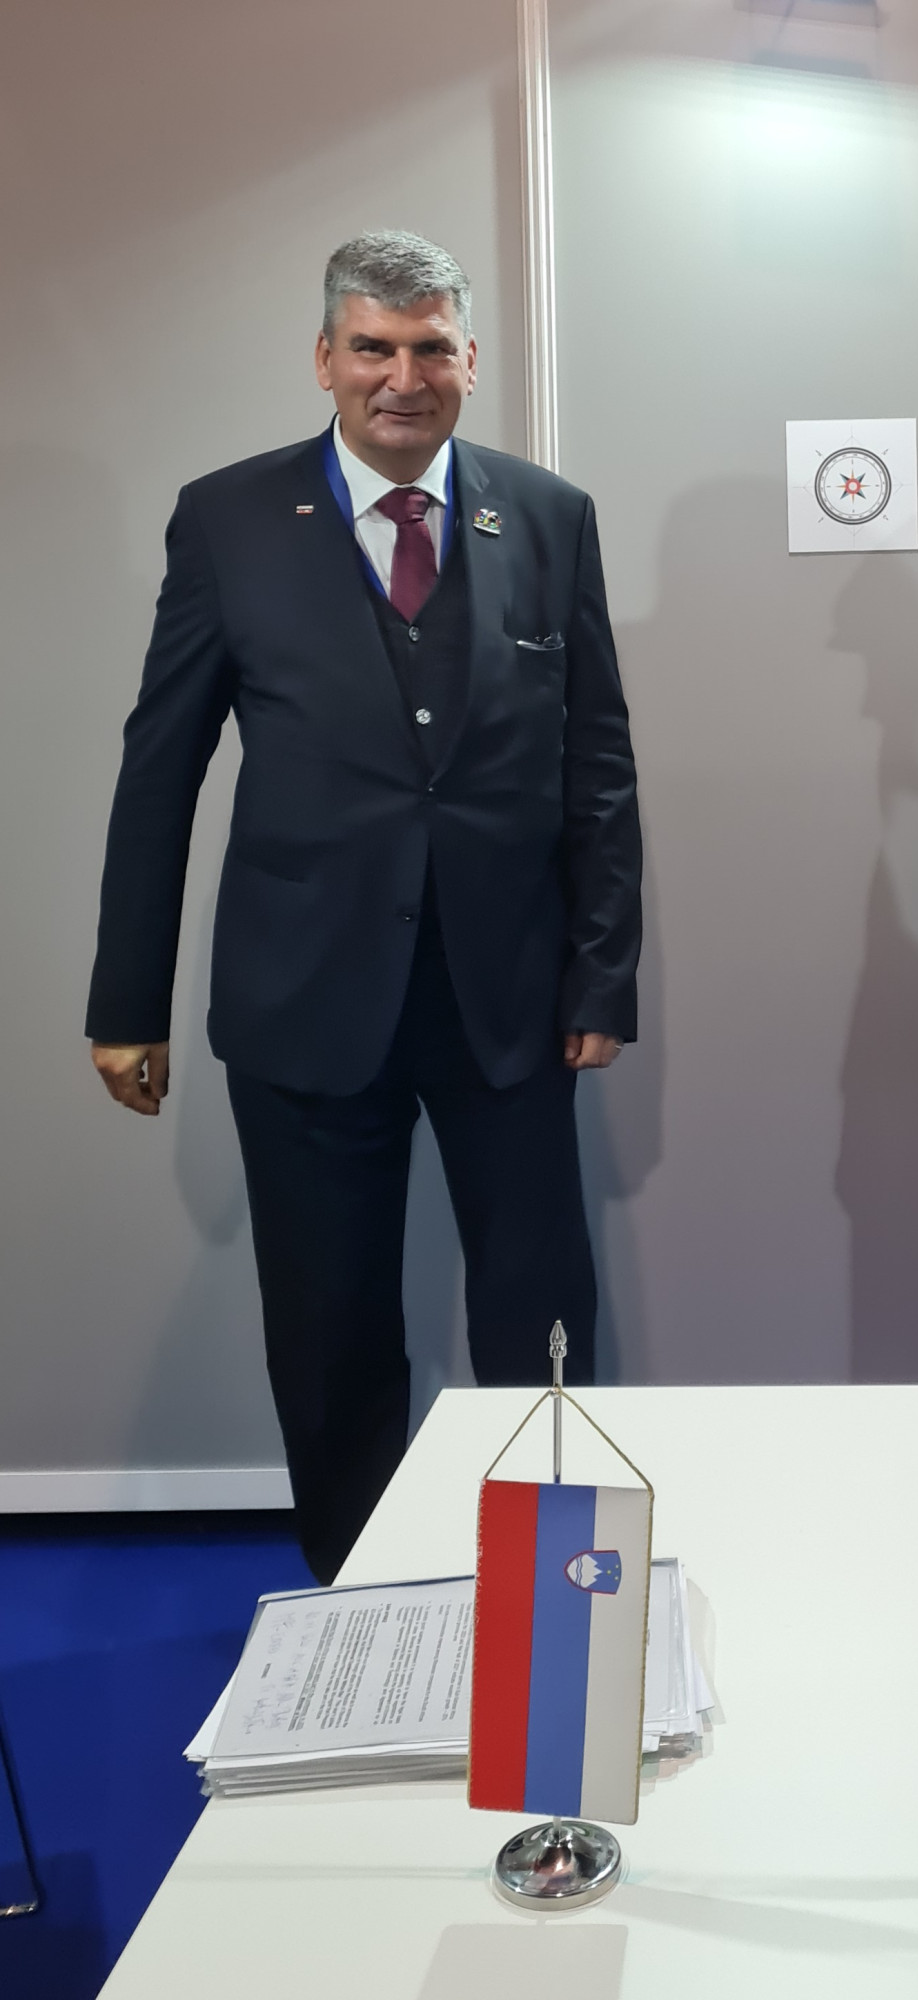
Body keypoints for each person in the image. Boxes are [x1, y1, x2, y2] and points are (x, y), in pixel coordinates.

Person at [86, 232, 642, 1579]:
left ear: (469, 358)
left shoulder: (548, 515)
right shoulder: (227, 519)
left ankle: (553, 1587)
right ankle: (358, 1589)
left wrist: (599, 976)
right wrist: (125, 1001)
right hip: (302, 994)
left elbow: (597, 766)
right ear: (326, 358)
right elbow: (161, 766)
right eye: (374, 349)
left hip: (508, 999)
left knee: (538, 1312)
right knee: (328, 1322)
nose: (404, 376)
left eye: (430, 347)